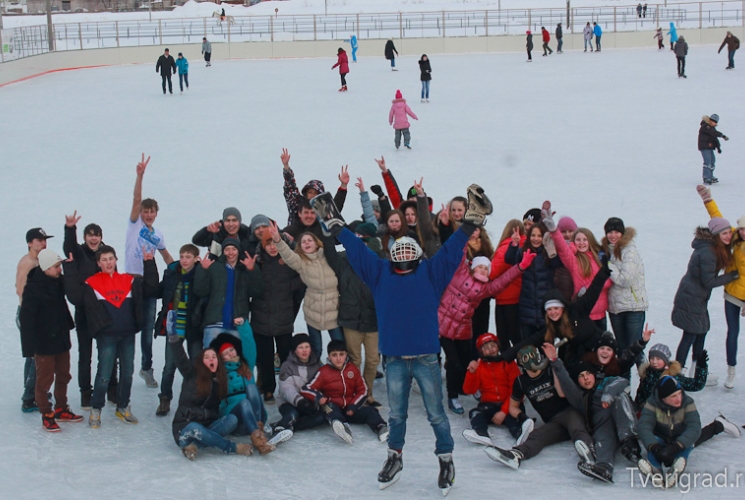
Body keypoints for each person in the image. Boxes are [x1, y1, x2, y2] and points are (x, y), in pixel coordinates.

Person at [329, 184, 494, 494]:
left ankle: (446, 459)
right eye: (399, 251)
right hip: (393, 361)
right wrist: (339, 229)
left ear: (416, 256)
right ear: (392, 256)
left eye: (408, 251)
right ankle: (394, 457)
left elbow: (451, 248)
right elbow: (358, 250)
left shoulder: (432, 273)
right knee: (397, 414)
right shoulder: (378, 272)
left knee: (436, 414)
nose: (403, 256)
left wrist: (471, 223)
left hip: (426, 359)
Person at [64, 244, 159, 428]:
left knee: (127, 373)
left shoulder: (128, 280)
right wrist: (69, 268)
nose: (108, 263)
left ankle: (122, 407)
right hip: (106, 335)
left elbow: (151, 288)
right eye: (104, 260)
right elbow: (74, 297)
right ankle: (96, 408)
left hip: (127, 334)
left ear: (116, 260)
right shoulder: (91, 283)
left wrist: (149, 263)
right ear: (98, 263)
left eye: (111, 259)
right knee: (104, 375)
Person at [438, 249, 534, 414]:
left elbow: (503, 280)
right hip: (443, 325)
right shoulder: (460, 274)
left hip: (463, 329)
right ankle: (452, 396)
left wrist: (521, 266)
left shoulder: (485, 289)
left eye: (486, 268)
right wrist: (465, 234)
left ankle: (469, 386)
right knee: (453, 363)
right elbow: (459, 256)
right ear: (473, 268)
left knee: (465, 363)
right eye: (480, 267)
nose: (482, 270)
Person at [484, 345, 596, 470]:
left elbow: (562, 393)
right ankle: (516, 455)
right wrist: (523, 417)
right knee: (537, 435)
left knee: (577, 429)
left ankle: (590, 454)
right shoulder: (521, 382)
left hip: (568, 412)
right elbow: (513, 407)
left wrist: (554, 365)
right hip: (553, 421)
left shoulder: (549, 370)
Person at [548, 344, 641, 483]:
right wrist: (555, 362)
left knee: (620, 397)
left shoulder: (605, 383)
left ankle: (630, 441)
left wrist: (608, 395)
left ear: (593, 374)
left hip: (623, 419)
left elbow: (622, 381)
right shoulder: (580, 397)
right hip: (604, 427)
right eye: (581, 376)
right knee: (603, 442)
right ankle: (604, 469)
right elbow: (566, 382)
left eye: (588, 374)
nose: (586, 378)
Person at [20, 249, 83, 432]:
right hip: (44, 343)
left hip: (61, 339)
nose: (60, 269)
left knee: (64, 375)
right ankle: (46, 414)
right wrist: (28, 349)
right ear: (47, 268)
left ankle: (61, 409)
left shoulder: (58, 281)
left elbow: (72, 288)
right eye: (57, 266)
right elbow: (26, 320)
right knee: (44, 381)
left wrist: (70, 268)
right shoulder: (32, 288)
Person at [125, 154, 174, 389]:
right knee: (125, 326)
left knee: (146, 329)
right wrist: (140, 176)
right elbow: (136, 199)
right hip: (130, 282)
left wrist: (179, 270)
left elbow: (165, 255)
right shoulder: (135, 224)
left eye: (151, 211)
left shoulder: (157, 235)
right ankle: (119, 367)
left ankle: (146, 368)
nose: (147, 214)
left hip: (149, 283)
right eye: (145, 211)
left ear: (156, 213)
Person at [673, 218, 738, 382]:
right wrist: (732, 276)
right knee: (690, 334)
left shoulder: (712, 247)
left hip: (696, 296)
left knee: (702, 331)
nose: (728, 236)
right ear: (716, 234)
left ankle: (696, 370)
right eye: (724, 233)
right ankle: (676, 373)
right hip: (691, 297)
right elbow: (708, 282)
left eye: (730, 232)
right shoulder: (709, 252)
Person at [167, 335, 252, 460]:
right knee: (195, 428)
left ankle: (195, 446)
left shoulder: (220, 381)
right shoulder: (191, 374)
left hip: (207, 427)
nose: (211, 359)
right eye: (207, 357)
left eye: (214, 357)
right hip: (185, 428)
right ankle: (232, 447)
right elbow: (180, 358)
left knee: (232, 419)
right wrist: (173, 338)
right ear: (202, 362)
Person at [321, 231, 381, 407]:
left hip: (372, 321)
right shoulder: (343, 262)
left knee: (372, 360)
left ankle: (368, 393)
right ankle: (355, 393)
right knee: (354, 360)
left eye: (366, 244)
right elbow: (330, 252)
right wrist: (327, 233)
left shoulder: (377, 266)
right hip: (351, 320)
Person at [63, 214, 118, 409]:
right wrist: (70, 229)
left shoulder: (106, 254)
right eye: (90, 235)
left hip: (104, 311)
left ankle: (113, 389)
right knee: (85, 354)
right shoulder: (79, 252)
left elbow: (114, 279)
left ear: (101, 237)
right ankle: (86, 393)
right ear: (85, 237)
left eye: (97, 235)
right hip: (85, 311)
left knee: (109, 352)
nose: (93, 239)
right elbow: (69, 249)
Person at [269, 223, 342, 361]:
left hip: (333, 310)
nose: (307, 243)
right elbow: (288, 255)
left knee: (339, 346)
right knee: (316, 349)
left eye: (310, 240)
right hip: (313, 310)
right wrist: (278, 240)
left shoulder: (329, 257)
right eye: (303, 242)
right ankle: (313, 376)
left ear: (316, 243)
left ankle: (339, 375)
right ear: (300, 246)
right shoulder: (301, 261)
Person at [697, 185, 745, 388]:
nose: (743, 232)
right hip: (732, 293)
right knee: (732, 332)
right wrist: (707, 199)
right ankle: (731, 370)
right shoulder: (733, 237)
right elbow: (717, 218)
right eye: (742, 228)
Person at [301, 340, 388, 443]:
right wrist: (319, 397)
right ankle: (340, 426)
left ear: (346, 355)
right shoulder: (323, 371)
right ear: (329, 356)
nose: (338, 358)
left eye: (341, 354)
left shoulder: (352, 369)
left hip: (349, 408)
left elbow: (363, 390)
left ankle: (380, 428)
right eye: (334, 355)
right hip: (333, 407)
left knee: (371, 411)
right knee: (330, 408)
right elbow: (306, 389)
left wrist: (353, 406)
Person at [250, 231, 302, 400]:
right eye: (268, 244)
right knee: (265, 357)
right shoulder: (257, 262)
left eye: (275, 243)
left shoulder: (289, 261)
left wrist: (291, 285)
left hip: (283, 317)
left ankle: (288, 386)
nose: (272, 247)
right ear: (263, 246)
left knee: (286, 355)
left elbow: (303, 273)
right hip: (261, 317)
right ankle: (268, 388)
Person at [153, 244, 201, 417]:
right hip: (175, 326)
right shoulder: (173, 274)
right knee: (169, 366)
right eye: (182, 256)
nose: (184, 260)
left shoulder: (201, 274)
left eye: (188, 257)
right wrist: (148, 265)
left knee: (196, 365)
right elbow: (158, 291)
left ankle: (195, 398)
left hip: (194, 327)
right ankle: (165, 398)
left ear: (196, 258)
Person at [210, 331, 275, 455]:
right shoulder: (220, 374)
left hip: (256, 416)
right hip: (239, 421)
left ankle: (258, 429)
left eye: (232, 350)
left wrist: (243, 325)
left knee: (251, 388)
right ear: (221, 358)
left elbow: (250, 345)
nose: (230, 354)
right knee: (244, 402)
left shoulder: (245, 367)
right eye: (226, 353)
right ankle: (258, 438)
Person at [193, 238, 263, 350]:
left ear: (238, 251)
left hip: (237, 325)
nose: (230, 253)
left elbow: (257, 292)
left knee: (234, 363)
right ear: (223, 252)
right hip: (214, 323)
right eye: (227, 249)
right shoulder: (214, 267)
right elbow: (200, 291)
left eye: (234, 249)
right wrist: (203, 270)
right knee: (211, 362)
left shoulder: (244, 270)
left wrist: (252, 270)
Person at [462, 333, 527, 446]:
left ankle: (520, 434)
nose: (490, 350)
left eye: (493, 346)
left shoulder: (508, 362)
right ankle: (482, 434)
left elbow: (517, 389)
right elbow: (469, 390)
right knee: (476, 413)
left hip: (510, 403)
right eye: (486, 348)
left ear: (498, 346)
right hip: (489, 404)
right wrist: (471, 373)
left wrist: (503, 411)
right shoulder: (479, 366)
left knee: (513, 417)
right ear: (481, 351)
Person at [602, 217, 649, 372]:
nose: (613, 235)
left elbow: (624, 279)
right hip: (615, 308)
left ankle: (647, 381)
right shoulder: (606, 250)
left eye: (616, 232)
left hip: (633, 307)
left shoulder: (630, 251)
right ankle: (624, 386)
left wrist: (608, 265)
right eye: (610, 232)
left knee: (635, 349)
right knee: (622, 351)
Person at [637, 377, 701, 489]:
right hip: (660, 437)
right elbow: (644, 426)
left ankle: (676, 469)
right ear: (663, 398)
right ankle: (655, 470)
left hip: (679, 438)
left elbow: (694, 428)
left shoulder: (688, 403)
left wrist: (676, 446)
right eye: (673, 396)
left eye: (679, 394)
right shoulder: (652, 403)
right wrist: (654, 447)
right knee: (652, 446)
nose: (678, 398)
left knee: (687, 445)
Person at [16, 227, 52, 412]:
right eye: (39, 240)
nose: (43, 243)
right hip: (29, 315)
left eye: (44, 240)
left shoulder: (40, 260)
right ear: (30, 243)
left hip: (37, 314)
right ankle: (30, 397)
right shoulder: (27, 263)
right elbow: (20, 291)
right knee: (37, 357)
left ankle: (33, 393)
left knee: (33, 357)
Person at [273, 334, 327, 441]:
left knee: (321, 417)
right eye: (300, 348)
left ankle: (290, 425)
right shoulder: (287, 366)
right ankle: (281, 429)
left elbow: (323, 385)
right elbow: (286, 388)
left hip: (310, 403)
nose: (304, 351)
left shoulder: (317, 366)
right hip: (289, 403)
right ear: (295, 350)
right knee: (293, 413)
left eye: (307, 347)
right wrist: (299, 401)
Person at [634, 343, 708, 410]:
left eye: (658, 359)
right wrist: (636, 408)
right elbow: (640, 395)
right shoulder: (647, 374)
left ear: (665, 361)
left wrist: (701, 367)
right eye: (652, 358)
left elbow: (696, 385)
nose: (654, 362)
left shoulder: (672, 377)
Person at [697, 114, 729, 185]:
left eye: (716, 122)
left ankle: (710, 176)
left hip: (710, 148)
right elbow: (713, 133)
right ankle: (706, 177)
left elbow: (715, 139)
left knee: (712, 161)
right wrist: (722, 135)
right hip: (704, 147)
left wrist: (718, 148)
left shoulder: (711, 128)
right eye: (713, 121)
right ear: (710, 120)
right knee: (707, 161)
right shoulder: (705, 126)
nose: (715, 123)